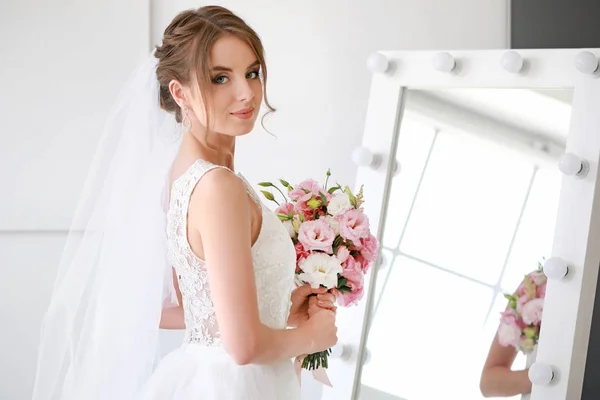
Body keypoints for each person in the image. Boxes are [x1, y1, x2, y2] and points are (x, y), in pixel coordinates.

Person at [32, 6, 338, 400]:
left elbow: (197, 309)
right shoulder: (218, 187)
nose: (246, 92)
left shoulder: (182, 176)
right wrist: (313, 336)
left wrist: (278, 309)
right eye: (219, 78)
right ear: (179, 93)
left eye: (252, 72)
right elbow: (243, 347)